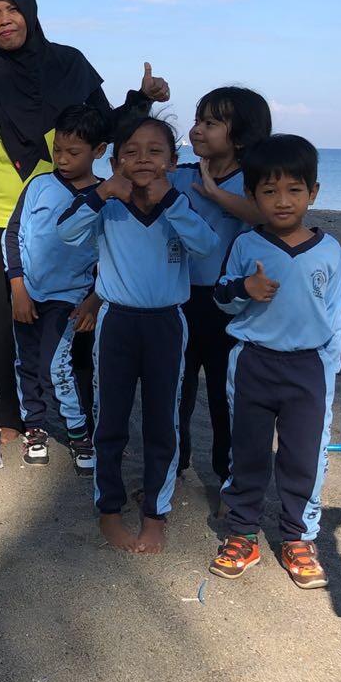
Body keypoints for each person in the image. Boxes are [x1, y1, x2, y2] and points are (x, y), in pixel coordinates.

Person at [0, 0, 169, 441]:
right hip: (2, 215)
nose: (3, 21)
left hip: (77, 211)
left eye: (12, 10)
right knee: (11, 313)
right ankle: (11, 416)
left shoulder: (70, 64)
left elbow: (103, 127)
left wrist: (142, 99)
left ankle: (81, 414)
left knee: (77, 314)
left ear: (30, 13)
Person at [57, 115, 216, 554]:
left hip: (167, 324)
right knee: (110, 420)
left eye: (155, 151)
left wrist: (172, 203)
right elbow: (66, 233)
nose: (143, 159)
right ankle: (109, 509)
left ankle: (155, 514)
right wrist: (102, 192)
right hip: (117, 324)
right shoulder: (106, 205)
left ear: (173, 161)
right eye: (131, 151)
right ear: (114, 162)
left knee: (163, 422)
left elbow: (207, 247)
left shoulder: (180, 205)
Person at [209, 134, 341, 589]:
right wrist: (244, 289)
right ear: (252, 196)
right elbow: (221, 297)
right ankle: (242, 533)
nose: (282, 201)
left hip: (309, 369)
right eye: (269, 191)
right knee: (247, 451)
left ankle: (298, 537)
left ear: (313, 192)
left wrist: (330, 368)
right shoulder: (247, 245)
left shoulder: (329, 250)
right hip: (253, 363)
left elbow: (335, 315)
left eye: (294, 190)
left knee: (303, 456)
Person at [169, 88, 272, 486]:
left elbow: (265, 215)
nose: (198, 129)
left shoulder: (253, 181)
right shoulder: (181, 174)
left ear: (242, 136)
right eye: (198, 120)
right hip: (179, 299)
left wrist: (216, 194)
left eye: (211, 123)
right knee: (176, 391)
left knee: (225, 396)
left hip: (230, 304)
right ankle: (173, 468)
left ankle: (229, 480)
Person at [4, 105, 107, 472]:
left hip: (70, 298)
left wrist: (94, 300)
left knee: (56, 366)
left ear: (99, 151)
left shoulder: (105, 198)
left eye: (73, 152)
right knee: (27, 362)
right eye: (57, 150)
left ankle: (79, 434)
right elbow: (13, 234)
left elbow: (112, 257)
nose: (62, 159)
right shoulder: (38, 185)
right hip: (27, 293)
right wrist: (18, 287)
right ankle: (34, 428)